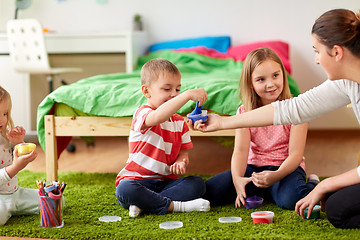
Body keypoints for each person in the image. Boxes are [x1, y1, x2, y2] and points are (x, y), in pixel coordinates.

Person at [192, 8, 360, 229]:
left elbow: (294, 126)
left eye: (317, 51)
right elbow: (294, 108)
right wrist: (223, 123)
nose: (316, 60)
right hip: (257, 170)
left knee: (330, 206)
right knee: (337, 208)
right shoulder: (346, 82)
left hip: (286, 172)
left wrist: (320, 187)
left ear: (337, 52)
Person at [203, 48, 319, 210]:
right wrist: (237, 180)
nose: (270, 84)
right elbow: (241, 151)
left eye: (275, 76)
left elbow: (295, 155)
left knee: (292, 200)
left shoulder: (297, 108)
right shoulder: (244, 112)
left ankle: (313, 183)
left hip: (285, 169)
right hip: (253, 170)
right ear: (250, 83)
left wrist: (276, 176)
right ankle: (264, 191)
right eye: (261, 79)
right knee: (210, 192)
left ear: (283, 75)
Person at [115, 58, 210, 217]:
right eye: (167, 89)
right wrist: (186, 95)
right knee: (125, 189)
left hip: (166, 184)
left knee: (197, 184)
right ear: (146, 91)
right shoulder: (143, 113)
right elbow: (158, 116)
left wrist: (181, 161)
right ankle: (178, 206)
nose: (174, 94)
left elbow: (183, 153)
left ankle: (145, 204)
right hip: (137, 181)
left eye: (178, 89)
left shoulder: (180, 122)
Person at [0, 86, 39, 225]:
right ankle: (8, 210)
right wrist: (16, 167)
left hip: (16, 193)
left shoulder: (4, 136)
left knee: (54, 202)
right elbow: (14, 167)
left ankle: (12, 208)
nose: (2, 120)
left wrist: (18, 143)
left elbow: (14, 158)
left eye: (5, 114)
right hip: (1, 198)